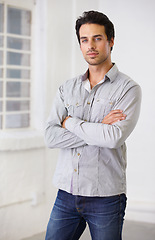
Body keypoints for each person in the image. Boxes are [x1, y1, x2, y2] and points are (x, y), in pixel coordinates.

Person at [44, 10, 141, 240]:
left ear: (111, 41)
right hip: (65, 194)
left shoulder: (128, 89)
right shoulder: (67, 88)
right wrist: (97, 126)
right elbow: (50, 136)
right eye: (84, 40)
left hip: (106, 197)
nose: (90, 46)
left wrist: (69, 123)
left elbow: (113, 138)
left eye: (97, 38)